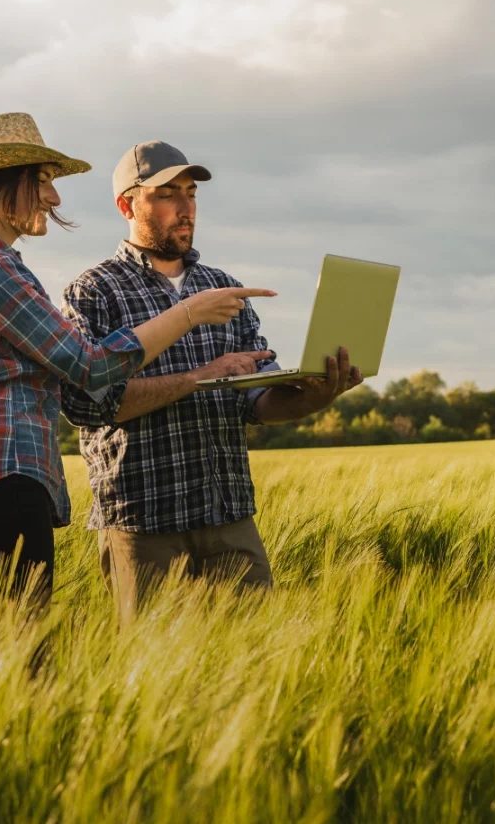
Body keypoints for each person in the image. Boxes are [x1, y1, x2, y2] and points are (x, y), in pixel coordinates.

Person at [0, 114, 274, 608]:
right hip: (2, 486)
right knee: (22, 665)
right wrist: (188, 315)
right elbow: (89, 368)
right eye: (41, 181)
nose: (54, 198)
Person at [60, 140, 363, 624]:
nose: (185, 208)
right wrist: (201, 377)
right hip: (144, 523)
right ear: (126, 205)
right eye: (166, 195)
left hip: (229, 516)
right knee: (155, 678)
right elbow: (91, 405)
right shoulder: (93, 291)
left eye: (191, 194)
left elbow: (254, 403)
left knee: (255, 668)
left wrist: (312, 397)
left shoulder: (221, 286)